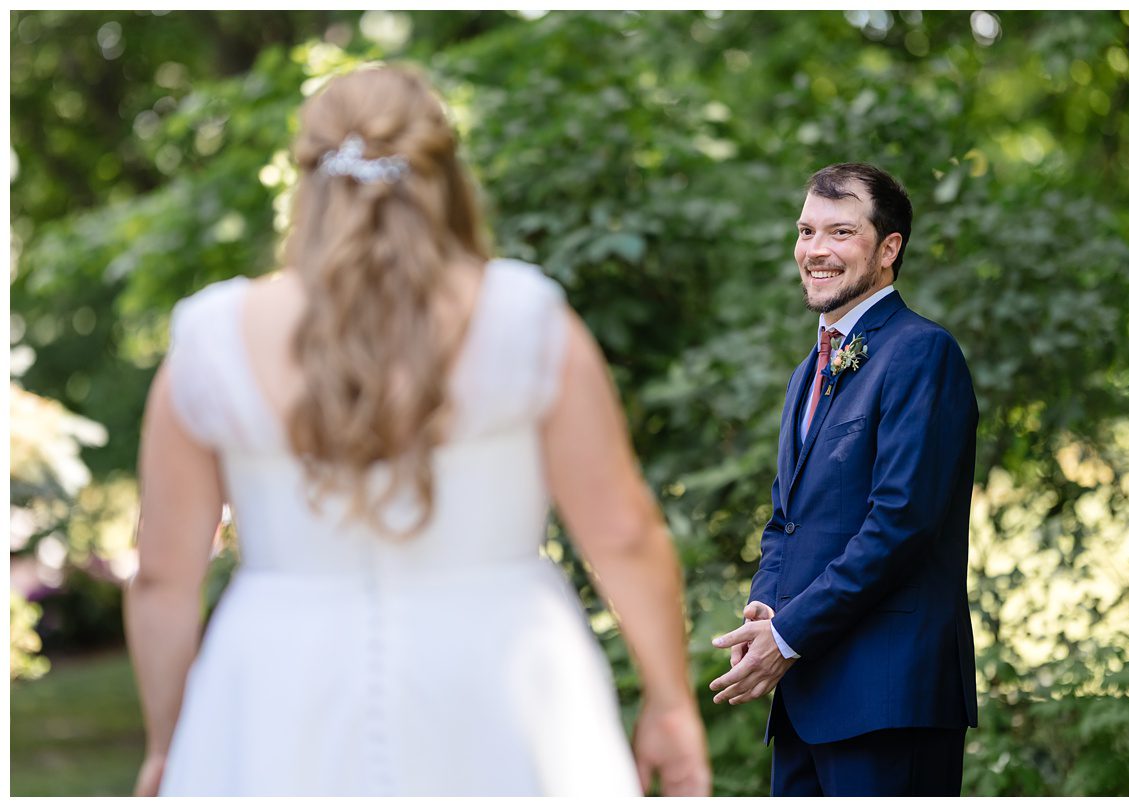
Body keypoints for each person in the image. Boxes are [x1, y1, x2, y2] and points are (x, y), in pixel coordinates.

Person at [124, 65, 709, 797]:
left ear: (307, 182)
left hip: (274, 689)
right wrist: (670, 700)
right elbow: (621, 532)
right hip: (503, 679)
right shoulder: (526, 317)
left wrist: (173, 741)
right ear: (445, 172)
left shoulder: (212, 337)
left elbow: (162, 577)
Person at [709, 163, 978, 796]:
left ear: (889, 249)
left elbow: (900, 524)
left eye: (840, 232)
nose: (815, 251)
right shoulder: (809, 368)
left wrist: (788, 635)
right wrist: (766, 612)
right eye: (806, 231)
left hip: (888, 698)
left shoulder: (921, 353)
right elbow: (786, 519)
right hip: (805, 696)